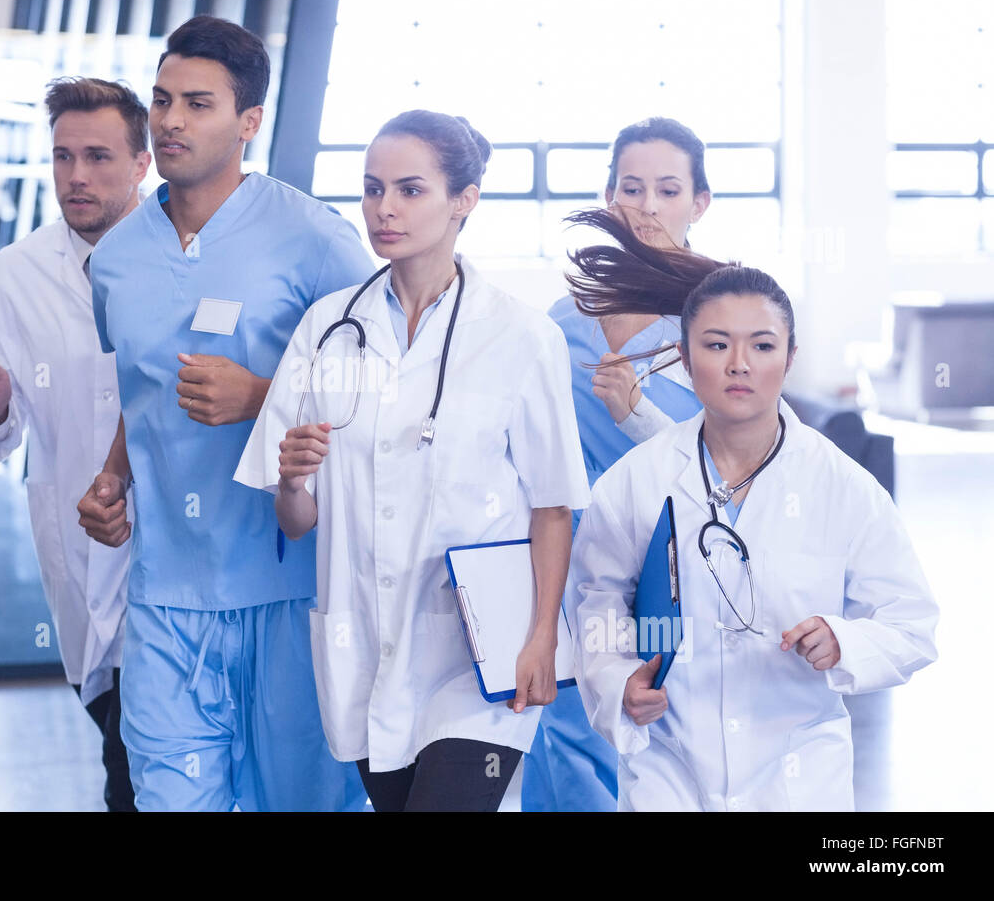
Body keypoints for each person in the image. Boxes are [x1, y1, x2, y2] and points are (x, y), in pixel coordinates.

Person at [235, 110, 592, 811]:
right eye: (372, 190)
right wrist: (294, 475)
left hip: (481, 649)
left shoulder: (521, 335)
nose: (384, 209)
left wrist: (543, 636)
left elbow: (553, 504)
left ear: (465, 199)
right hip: (364, 643)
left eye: (409, 190)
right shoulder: (328, 329)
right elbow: (297, 520)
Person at [77, 15, 372, 812]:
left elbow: (382, 395)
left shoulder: (319, 243)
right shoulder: (116, 259)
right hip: (166, 595)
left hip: (291, 589)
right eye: (163, 100)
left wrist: (261, 397)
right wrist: (112, 479)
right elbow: (140, 390)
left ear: (249, 122)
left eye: (197, 104)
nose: (170, 120)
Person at [570, 262, 939, 811]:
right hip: (669, 767)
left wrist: (845, 641)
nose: (739, 364)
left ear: (789, 358)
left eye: (762, 346)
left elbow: (912, 623)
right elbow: (595, 601)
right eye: (716, 345)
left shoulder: (843, 487)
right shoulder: (635, 481)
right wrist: (617, 679)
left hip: (799, 776)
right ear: (686, 357)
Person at [0, 76, 152, 811]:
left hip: (183, 565)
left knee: (142, 768)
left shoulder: (189, 260)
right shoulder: (10, 278)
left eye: (98, 157)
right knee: (123, 749)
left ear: (142, 163)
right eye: (63, 157)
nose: (76, 176)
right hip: (82, 561)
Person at [523, 116, 719, 812]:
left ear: (700, 202)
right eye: (631, 188)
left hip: (672, 572)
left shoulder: (720, 316)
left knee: (659, 732)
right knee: (568, 739)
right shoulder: (560, 320)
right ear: (609, 199)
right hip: (570, 568)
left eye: (668, 189)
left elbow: (730, 465)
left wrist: (634, 410)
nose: (647, 206)